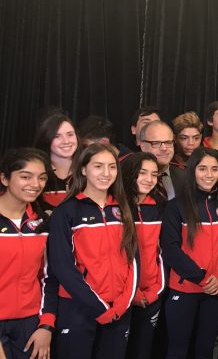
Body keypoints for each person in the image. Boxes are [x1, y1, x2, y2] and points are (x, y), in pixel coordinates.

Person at [47, 143, 139, 358]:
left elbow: (134, 258)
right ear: (83, 169)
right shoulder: (66, 211)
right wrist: (99, 306)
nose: (106, 173)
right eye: (98, 166)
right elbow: (62, 267)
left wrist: (123, 303)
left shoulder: (123, 208)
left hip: (119, 308)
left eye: (112, 167)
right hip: (78, 308)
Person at [160, 148, 218, 359]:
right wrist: (201, 278)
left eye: (214, 169)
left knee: (205, 349)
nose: (209, 174)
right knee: (178, 350)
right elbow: (170, 250)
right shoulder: (176, 207)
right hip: (184, 291)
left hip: (214, 292)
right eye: (203, 168)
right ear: (192, 171)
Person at [0, 148, 55, 359]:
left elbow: (49, 277)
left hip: (30, 325)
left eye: (41, 178)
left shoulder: (43, 223)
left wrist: (46, 326)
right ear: (4, 178)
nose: (35, 184)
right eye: (25, 177)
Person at [119, 152, 165, 359]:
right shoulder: (116, 209)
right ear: (129, 174)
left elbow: (163, 254)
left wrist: (156, 290)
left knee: (143, 352)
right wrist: (132, 293)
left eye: (154, 174)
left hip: (152, 295)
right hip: (122, 297)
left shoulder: (160, 208)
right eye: (142, 173)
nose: (149, 179)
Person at [32, 113, 78, 208]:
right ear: (46, 139)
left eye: (70, 135)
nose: (66, 141)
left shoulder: (89, 170)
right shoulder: (36, 174)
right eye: (57, 136)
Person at [139, 120, 186, 203]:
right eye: (156, 143)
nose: (164, 148)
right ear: (142, 145)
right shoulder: (129, 178)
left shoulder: (185, 177)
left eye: (168, 142)